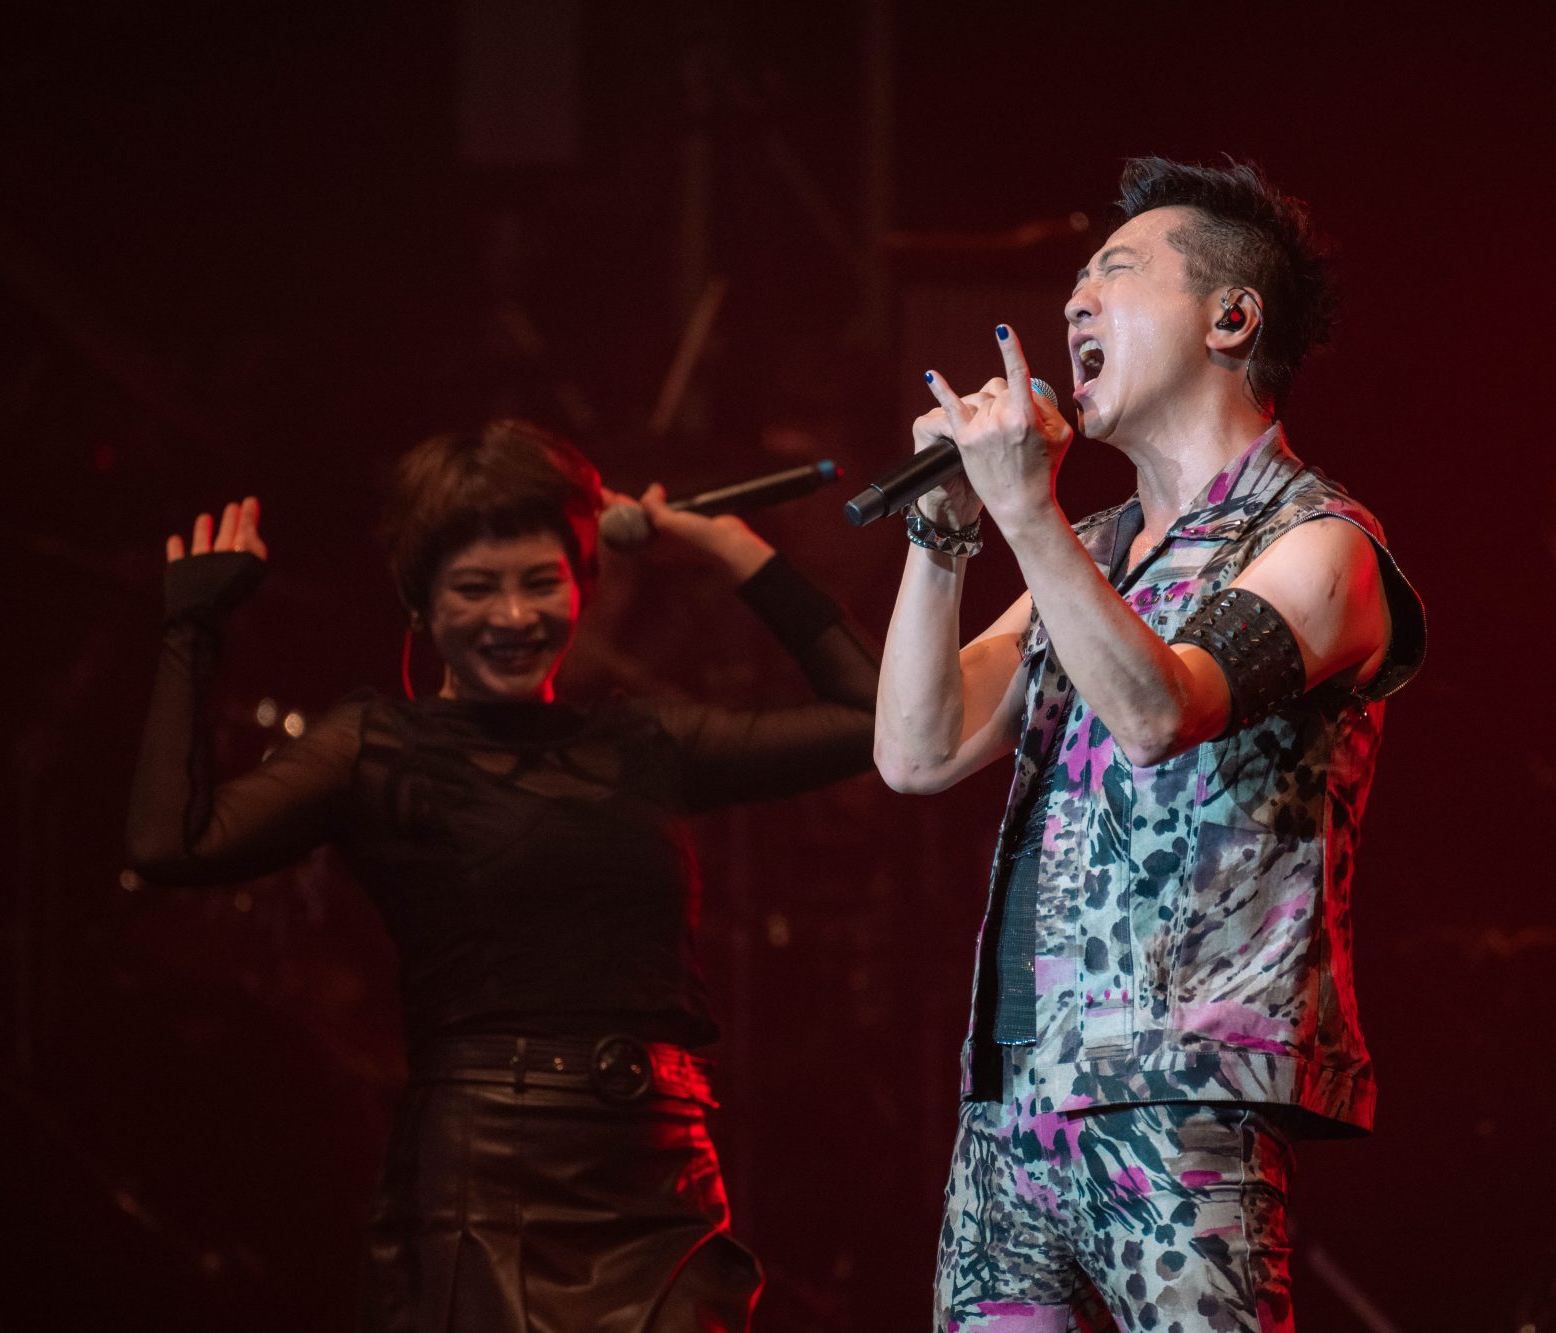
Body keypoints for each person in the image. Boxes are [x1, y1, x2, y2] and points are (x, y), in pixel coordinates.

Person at [126, 419, 877, 1332]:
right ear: (420, 603)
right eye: (476, 588)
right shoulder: (379, 749)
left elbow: (875, 720)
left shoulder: (643, 743)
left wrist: (728, 545)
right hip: (489, 1183)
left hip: (660, 1178)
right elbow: (172, 844)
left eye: (540, 582)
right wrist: (193, 628)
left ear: (583, 584)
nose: (514, 617)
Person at [874, 158, 1427, 1331]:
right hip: (1011, 1108)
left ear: (1231, 318)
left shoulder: (1319, 543)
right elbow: (916, 751)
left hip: (1179, 1105)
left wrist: (1024, 512)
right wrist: (945, 529)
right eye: (1074, 282)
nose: (1073, 302)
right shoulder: (1089, 551)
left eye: (1115, 273)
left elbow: (1160, 711)